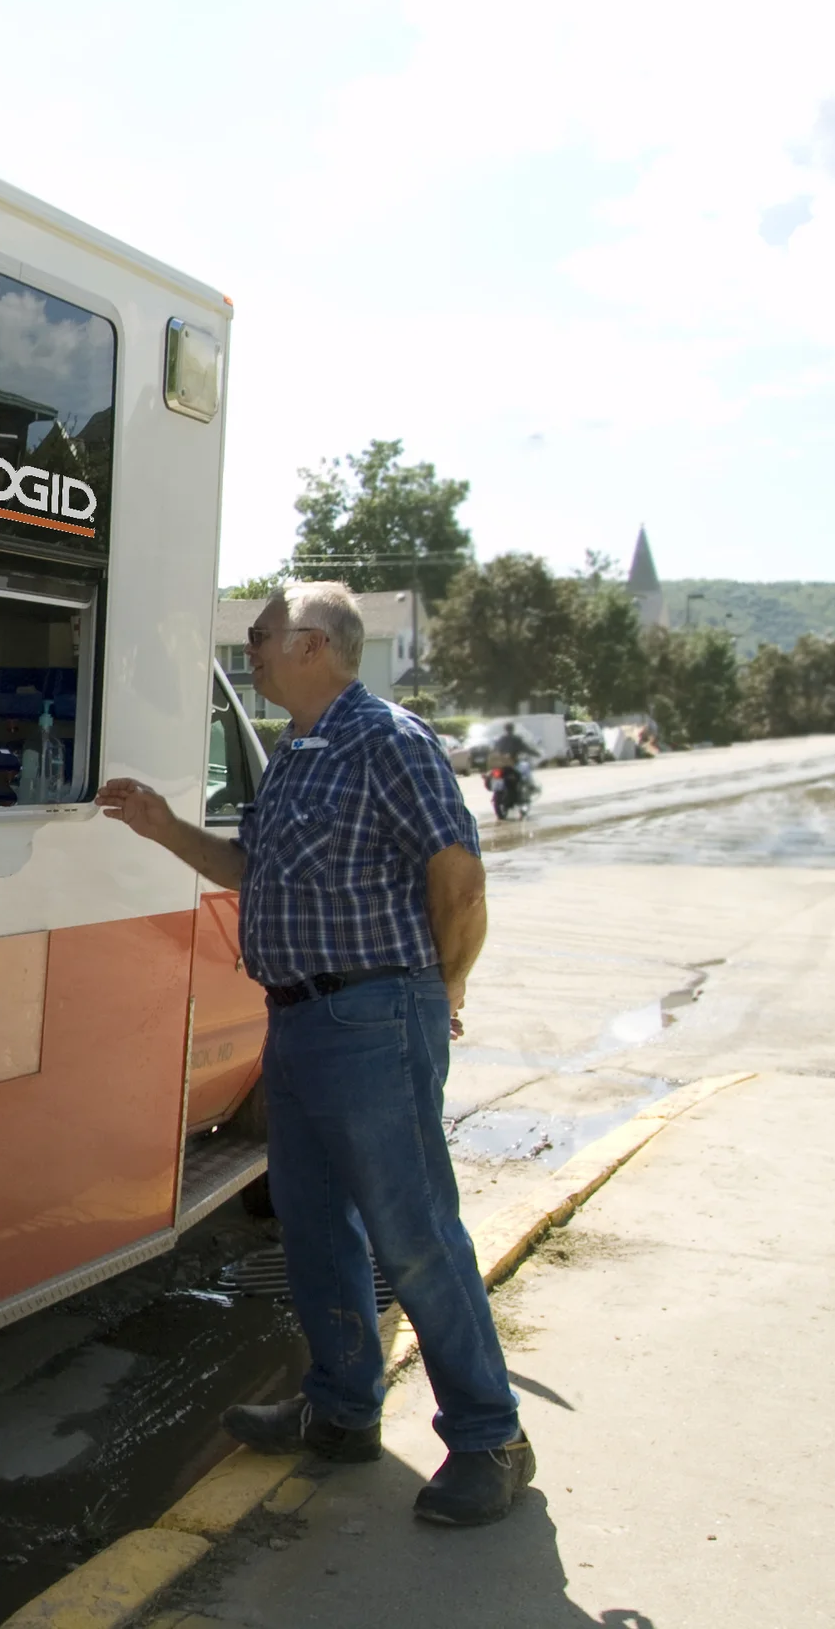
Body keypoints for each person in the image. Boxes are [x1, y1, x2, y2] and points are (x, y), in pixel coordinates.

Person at [96, 582, 534, 1526]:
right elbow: (253, 872)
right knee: (314, 1225)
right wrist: (164, 828)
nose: (249, 647)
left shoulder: (390, 740)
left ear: (313, 644)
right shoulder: (298, 752)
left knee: (414, 1233)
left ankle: (490, 1436)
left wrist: (442, 987)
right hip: (296, 1020)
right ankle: (341, 1409)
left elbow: (459, 881)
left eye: (260, 633)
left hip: (375, 1016)